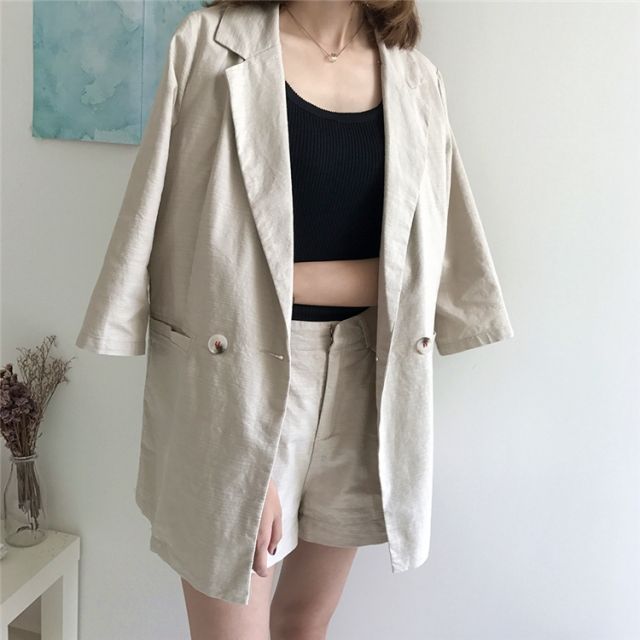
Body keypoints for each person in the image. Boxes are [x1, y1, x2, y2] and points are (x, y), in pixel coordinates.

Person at [76, 0, 514, 637]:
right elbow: (178, 238)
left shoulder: (414, 76)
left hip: (368, 374)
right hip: (239, 367)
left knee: (307, 621)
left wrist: (277, 276)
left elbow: (422, 261)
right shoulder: (208, 46)